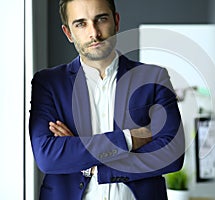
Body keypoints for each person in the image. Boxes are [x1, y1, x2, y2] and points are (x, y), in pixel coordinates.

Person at [29, 0, 185, 199]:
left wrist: (91, 165)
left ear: (116, 21)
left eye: (101, 19)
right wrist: (129, 138)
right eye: (81, 24)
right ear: (68, 33)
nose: (94, 33)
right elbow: (48, 157)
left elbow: (172, 154)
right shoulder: (48, 83)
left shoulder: (153, 77)